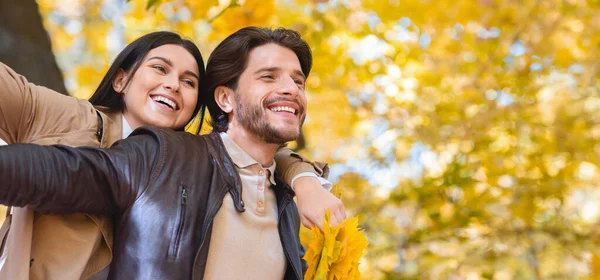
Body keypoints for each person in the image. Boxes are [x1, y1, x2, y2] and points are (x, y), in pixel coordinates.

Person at [0, 29, 342, 279]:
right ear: (224, 99)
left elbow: (259, 156)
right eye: (269, 76)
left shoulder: (285, 201)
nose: (290, 89)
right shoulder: (157, 155)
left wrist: (305, 181)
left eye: (299, 82)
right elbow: (64, 172)